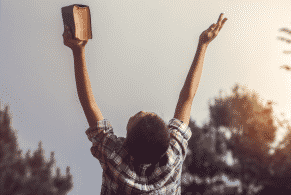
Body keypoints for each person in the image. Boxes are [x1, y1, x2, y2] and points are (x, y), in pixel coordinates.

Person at [63, 13, 227, 195]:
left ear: (125, 144)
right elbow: (187, 97)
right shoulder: (171, 159)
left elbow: (89, 104)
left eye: (134, 117)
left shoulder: (116, 158)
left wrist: (78, 51)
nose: (140, 110)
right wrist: (203, 45)